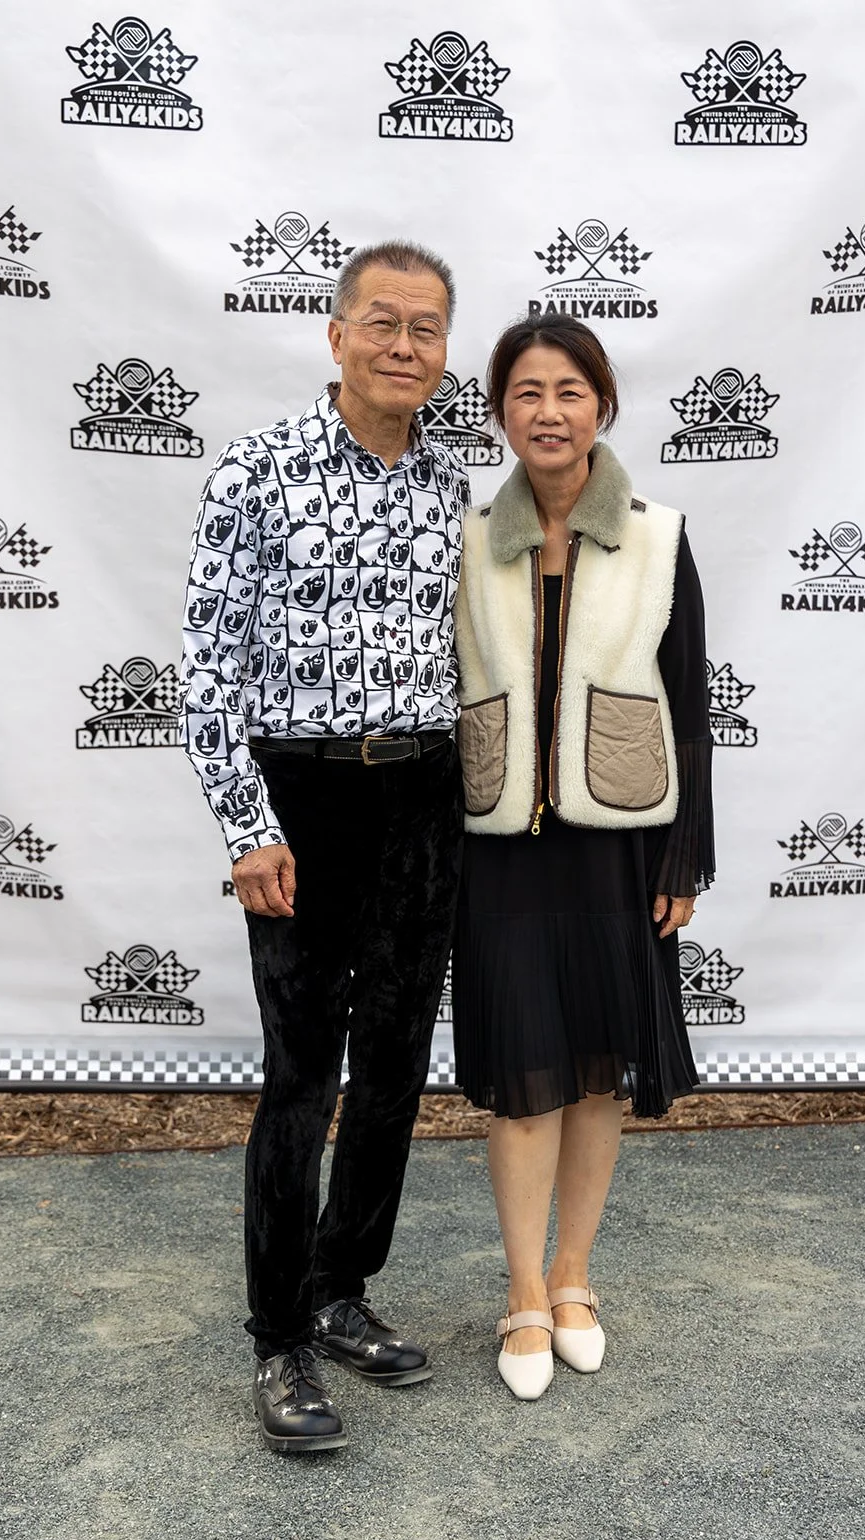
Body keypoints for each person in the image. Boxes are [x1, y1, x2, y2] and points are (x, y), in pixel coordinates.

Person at [179, 241, 468, 1451]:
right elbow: (204, 674)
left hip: (426, 794)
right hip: (301, 799)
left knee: (397, 1062)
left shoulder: (456, 484)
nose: (406, 347)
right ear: (335, 333)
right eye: (384, 323)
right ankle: (278, 1339)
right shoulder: (255, 472)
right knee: (304, 1078)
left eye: (429, 329)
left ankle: (344, 1291)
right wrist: (249, 829)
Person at [451, 313, 714, 1399]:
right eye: (526, 392)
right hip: (503, 848)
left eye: (568, 390)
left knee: (599, 1069)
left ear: (601, 405)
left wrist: (681, 862)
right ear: (501, 412)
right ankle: (520, 1289)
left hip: (620, 846)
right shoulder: (468, 539)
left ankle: (572, 1277)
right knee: (525, 1078)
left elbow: (691, 704)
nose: (547, 411)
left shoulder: (657, 535)